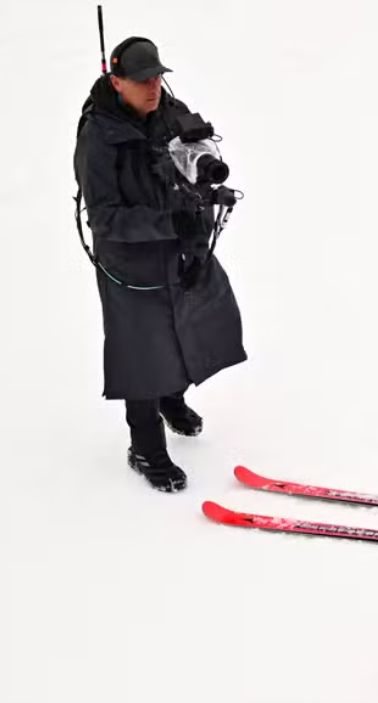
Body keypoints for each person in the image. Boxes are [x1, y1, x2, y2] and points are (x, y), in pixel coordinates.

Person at [74, 37, 246, 492]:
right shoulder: (99, 137)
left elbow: (193, 161)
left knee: (191, 323)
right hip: (130, 265)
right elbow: (105, 218)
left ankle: (171, 397)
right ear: (117, 81)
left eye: (157, 77)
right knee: (141, 350)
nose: (153, 87)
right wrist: (168, 221)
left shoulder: (172, 110)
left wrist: (206, 196)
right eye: (142, 80)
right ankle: (145, 446)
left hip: (180, 245)